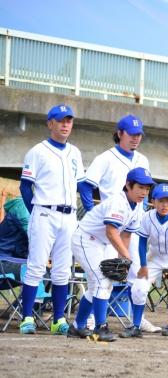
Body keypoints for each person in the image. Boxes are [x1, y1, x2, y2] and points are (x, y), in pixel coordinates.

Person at [78, 114, 160, 333]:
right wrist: (93, 211)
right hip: (108, 226)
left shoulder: (142, 160)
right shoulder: (105, 158)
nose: (136, 138)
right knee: (101, 275)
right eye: (132, 134)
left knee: (135, 273)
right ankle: (93, 320)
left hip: (131, 223)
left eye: (139, 135)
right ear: (120, 134)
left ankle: (137, 320)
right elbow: (86, 186)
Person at [19, 104, 85, 335]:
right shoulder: (38, 150)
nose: (65, 124)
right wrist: (35, 211)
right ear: (50, 123)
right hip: (44, 212)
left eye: (69, 120)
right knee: (36, 267)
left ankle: (58, 320)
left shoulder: (75, 152)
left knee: (62, 270)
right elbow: (25, 187)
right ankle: (26, 317)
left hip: (69, 216)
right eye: (60, 120)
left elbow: (82, 184)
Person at [67, 168, 155, 341]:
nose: (144, 192)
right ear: (128, 185)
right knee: (103, 281)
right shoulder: (118, 202)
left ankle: (77, 327)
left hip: (101, 243)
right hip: (85, 239)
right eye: (140, 187)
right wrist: (126, 256)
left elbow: (125, 235)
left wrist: (121, 258)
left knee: (96, 287)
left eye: (147, 188)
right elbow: (111, 232)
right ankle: (101, 327)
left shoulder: (137, 208)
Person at [118, 183, 168, 340]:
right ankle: (136, 326)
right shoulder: (147, 217)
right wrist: (143, 265)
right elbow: (141, 241)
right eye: (160, 200)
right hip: (154, 257)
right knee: (138, 288)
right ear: (153, 201)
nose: (164, 204)